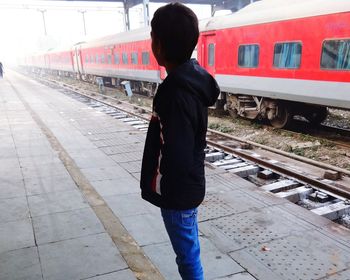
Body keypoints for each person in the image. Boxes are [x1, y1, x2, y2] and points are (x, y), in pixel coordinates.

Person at [140, 3, 220, 279]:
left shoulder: (174, 93)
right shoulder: (190, 83)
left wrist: (163, 189)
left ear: (158, 45)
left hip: (178, 194)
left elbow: (177, 152)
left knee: (187, 258)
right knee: (189, 250)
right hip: (188, 187)